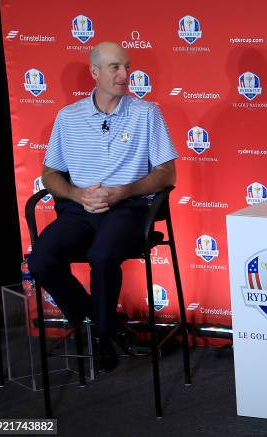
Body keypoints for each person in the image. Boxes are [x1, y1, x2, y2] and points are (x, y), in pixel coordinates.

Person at [28, 42, 178, 372]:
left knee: (102, 255)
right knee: (40, 259)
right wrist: (77, 195)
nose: (125, 74)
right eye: (115, 67)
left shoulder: (147, 113)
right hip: (79, 209)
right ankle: (103, 323)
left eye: (126, 66)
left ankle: (101, 335)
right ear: (94, 72)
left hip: (128, 208)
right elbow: (50, 173)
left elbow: (167, 174)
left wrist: (124, 191)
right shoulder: (68, 117)